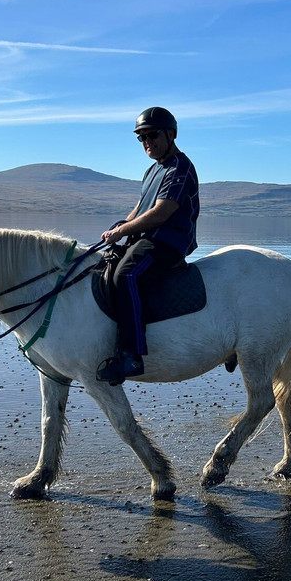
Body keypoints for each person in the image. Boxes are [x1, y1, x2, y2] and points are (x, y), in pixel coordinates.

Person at [96, 106, 200, 384]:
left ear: (171, 134)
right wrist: (120, 227)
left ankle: (131, 356)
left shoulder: (180, 167)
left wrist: (124, 231)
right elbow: (141, 209)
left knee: (126, 275)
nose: (147, 142)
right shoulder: (153, 170)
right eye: (141, 137)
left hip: (168, 241)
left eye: (152, 135)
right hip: (148, 238)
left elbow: (161, 212)